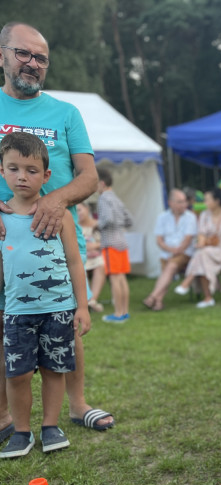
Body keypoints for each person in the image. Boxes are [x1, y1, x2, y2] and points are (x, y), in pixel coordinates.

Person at [0, 21, 113, 438]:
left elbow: (89, 177)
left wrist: (56, 199)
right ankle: (5, 417)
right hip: (5, 243)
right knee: (3, 325)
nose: (32, 63)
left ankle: (78, 405)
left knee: (64, 323)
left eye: (41, 58)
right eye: (23, 53)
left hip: (58, 239)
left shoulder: (66, 113)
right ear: (2, 56)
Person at [0, 132, 90, 457]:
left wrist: (83, 306)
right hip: (16, 311)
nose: (22, 176)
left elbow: (75, 261)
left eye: (31, 170)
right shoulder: (1, 218)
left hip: (59, 309)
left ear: (46, 175)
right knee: (17, 374)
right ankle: (22, 432)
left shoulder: (60, 215)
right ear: (2, 171)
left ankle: (50, 426)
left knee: (55, 370)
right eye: (13, 169)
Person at [174, 188, 221, 308]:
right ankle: (207, 298)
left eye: (208, 200)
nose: (205, 203)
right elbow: (201, 234)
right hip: (207, 251)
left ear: (217, 201)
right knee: (203, 257)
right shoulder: (204, 215)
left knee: (201, 254)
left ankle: (188, 282)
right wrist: (201, 243)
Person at [143, 188, 197, 311]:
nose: (184, 204)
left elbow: (187, 240)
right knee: (167, 270)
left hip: (185, 253)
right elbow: (159, 240)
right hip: (167, 253)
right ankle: (157, 302)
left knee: (170, 266)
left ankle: (153, 297)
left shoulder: (190, 217)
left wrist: (176, 252)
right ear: (171, 203)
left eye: (184, 201)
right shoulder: (162, 217)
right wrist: (170, 251)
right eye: (180, 202)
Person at [96, 168, 132, 323]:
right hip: (122, 242)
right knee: (122, 278)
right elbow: (129, 220)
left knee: (114, 279)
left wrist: (97, 225)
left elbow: (108, 219)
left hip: (110, 242)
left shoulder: (103, 198)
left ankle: (118, 314)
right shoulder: (116, 198)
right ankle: (124, 312)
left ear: (102, 183)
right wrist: (119, 225)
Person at [77, 201, 105, 312]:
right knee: (80, 267)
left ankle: (92, 300)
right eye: (76, 211)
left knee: (100, 264)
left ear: (87, 209)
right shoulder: (74, 226)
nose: (78, 213)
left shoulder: (97, 224)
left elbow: (107, 241)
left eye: (80, 210)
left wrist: (96, 245)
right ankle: (85, 300)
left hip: (96, 255)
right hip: (81, 256)